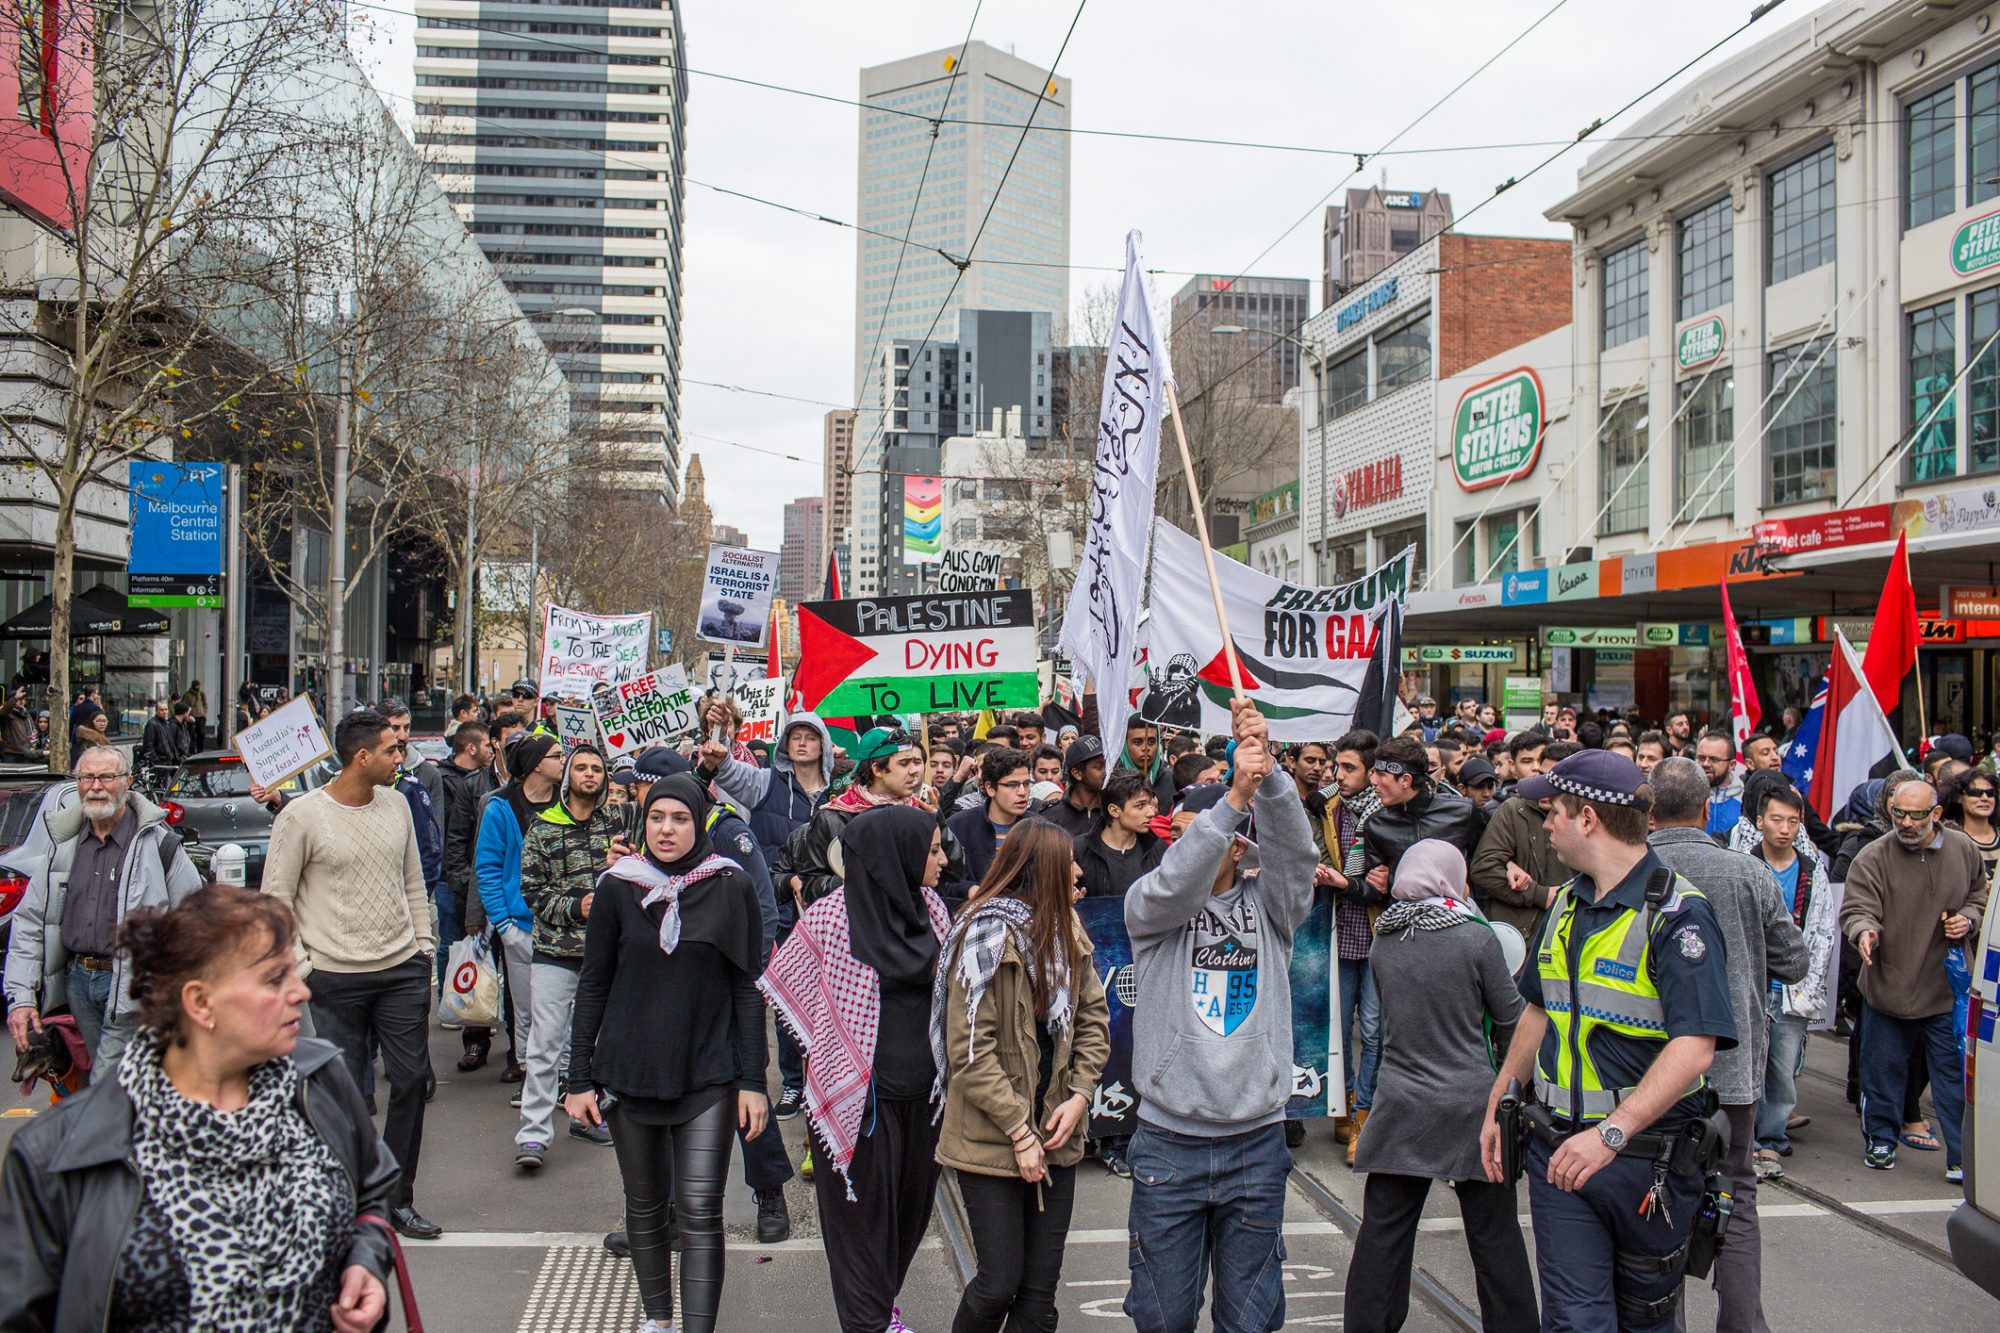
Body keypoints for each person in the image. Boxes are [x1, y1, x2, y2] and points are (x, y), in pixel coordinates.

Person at [0, 885, 398, 1333]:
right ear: (200, 1003)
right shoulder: (56, 1154)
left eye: (293, 974)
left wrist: (365, 1262)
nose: (300, 993)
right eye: (274, 979)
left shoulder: (319, 1081)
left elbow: (372, 1189)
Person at [1479, 750, 1736, 1333]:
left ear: (1588, 818)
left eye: (1553, 813)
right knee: (1574, 1322)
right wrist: (1500, 1101)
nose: (1545, 826)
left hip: (1648, 1159)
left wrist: (1612, 1133)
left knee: (1646, 1320)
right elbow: (1539, 1012)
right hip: (1559, 1149)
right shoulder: (1566, 902)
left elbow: (1696, 1046)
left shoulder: (1678, 914)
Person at [1121, 699, 1315, 1333]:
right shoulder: (1150, 909)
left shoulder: (1274, 908)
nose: (1179, 850)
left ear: (1236, 849)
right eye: (1176, 839)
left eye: (1192, 838)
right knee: (1161, 1316)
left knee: (1251, 1319)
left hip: (1256, 1145)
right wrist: (1231, 796)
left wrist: (1271, 773)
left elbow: (1296, 856)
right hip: (1168, 1145)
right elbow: (1177, 882)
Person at [563, 776, 769, 1333]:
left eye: (680, 818)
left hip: (708, 1074)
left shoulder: (730, 885)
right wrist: (577, 1077)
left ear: (699, 822)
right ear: (643, 822)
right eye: (657, 818)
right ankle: (658, 1320)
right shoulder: (616, 887)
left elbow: (748, 987)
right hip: (630, 1075)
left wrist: (754, 1080)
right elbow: (594, 985)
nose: (666, 829)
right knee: (646, 1209)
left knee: (702, 1212)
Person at [761, 806, 953, 1333]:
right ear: (898, 857)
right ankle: (868, 1322)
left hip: (927, 1099)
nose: (941, 859)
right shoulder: (827, 919)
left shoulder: (934, 910)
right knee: (859, 1228)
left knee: (908, 1220)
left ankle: (880, 1307)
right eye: (932, 849)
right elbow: (791, 995)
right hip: (856, 1105)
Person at [1345, 840, 1538, 1333]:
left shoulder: (1385, 940)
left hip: (1400, 1102)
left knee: (1383, 1235)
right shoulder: (1476, 939)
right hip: (1474, 1106)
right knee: (1494, 1236)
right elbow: (1513, 1019)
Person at [263, 708, 440, 1240]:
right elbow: (276, 899)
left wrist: (424, 950)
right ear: (362, 756)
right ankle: (348, 1197)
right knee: (345, 1096)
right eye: (392, 749)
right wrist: (300, 966)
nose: (401, 756)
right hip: (332, 977)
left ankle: (397, 1199)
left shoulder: (397, 805)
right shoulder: (300, 816)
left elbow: (413, 880)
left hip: (400, 969)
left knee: (409, 1084)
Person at [1645, 758, 1806, 1332]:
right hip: (1733, 1068)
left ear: (1649, 809)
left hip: (1651, 1072)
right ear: (1709, 806)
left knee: (1655, 1200)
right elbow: (1794, 960)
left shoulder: (1635, 868)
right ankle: (1743, 1324)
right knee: (1736, 1194)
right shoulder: (1746, 872)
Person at [933, 820, 1111, 1333]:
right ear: (1042, 871)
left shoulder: (1068, 928)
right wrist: (1018, 1129)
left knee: (1039, 1296)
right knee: (998, 1283)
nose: (1078, 870)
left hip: (1056, 1130)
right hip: (990, 1137)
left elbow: (1093, 1021)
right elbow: (969, 1050)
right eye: (1070, 862)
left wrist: (1078, 1096)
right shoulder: (982, 933)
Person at [5, 745, 202, 1074]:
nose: (95, 786)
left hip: (133, 987)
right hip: (77, 984)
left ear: (127, 782)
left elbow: (196, 922)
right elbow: (29, 923)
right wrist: (21, 997)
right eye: (86, 777)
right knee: (113, 1085)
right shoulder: (63, 846)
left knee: (105, 1086)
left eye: (106, 777)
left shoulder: (159, 844)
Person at [1840, 779, 1986, 1181]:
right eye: (1898, 813)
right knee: (1882, 1071)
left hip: (1945, 991)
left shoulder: (1963, 849)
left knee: (1953, 1077)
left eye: (1915, 815)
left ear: (1936, 814)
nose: (1904, 822)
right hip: (1889, 988)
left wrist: (1969, 919)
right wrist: (1864, 930)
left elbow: (1979, 895)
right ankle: (1882, 1139)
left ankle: (1961, 1155)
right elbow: (1856, 908)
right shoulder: (1873, 857)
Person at [515, 743, 621, 1167]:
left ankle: (587, 1116)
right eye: (581, 767)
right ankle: (533, 1134)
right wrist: (577, 906)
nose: (590, 774)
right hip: (554, 953)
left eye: (597, 768)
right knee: (545, 1045)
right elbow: (532, 893)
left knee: (593, 1044)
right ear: (567, 777)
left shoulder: (616, 824)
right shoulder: (542, 828)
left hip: (605, 955)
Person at [1743, 783, 1836, 1179]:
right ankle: (1742, 1137)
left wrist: (1808, 983)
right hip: (1750, 983)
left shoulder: (1812, 871)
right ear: (1759, 821)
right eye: (1776, 819)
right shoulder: (1743, 864)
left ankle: (1772, 1138)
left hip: (1790, 988)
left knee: (1782, 1067)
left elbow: (1823, 931)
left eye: (1793, 821)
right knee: (1746, 1063)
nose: (1784, 828)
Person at [477, 733, 566, 1091]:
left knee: (565, 1008)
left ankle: (562, 1077)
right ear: (535, 764)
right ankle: (532, 1078)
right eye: (557, 755)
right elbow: (487, 870)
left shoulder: (569, 802)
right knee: (527, 1009)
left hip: (565, 925)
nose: (565, 761)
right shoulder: (500, 808)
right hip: (521, 927)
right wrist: (505, 926)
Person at [1315, 728, 1380, 1152]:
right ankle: (1344, 1101)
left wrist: (1356, 881)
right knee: (1337, 1027)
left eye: (1349, 768)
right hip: (1337, 929)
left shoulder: (1389, 811)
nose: (1338, 774)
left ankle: (1366, 1116)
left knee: (1374, 1030)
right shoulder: (1326, 807)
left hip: (1377, 933)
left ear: (1373, 773)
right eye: (1337, 765)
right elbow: (1313, 851)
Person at [1471, 736, 1571, 939]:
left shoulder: (1584, 819)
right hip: (1513, 936)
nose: (1545, 786)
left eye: (1555, 780)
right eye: (1543, 776)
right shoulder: (1514, 809)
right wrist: (1540, 895)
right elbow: (1484, 869)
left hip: (1563, 933)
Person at [438, 722, 496, 1058]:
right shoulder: (473, 786)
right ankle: (475, 1039)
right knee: (475, 963)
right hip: (475, 889)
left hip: (515, 898)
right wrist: (461, 880)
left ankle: (518, 1055)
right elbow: (457, 838)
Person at [946, 747, 1034, 886]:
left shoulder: (1040, 829)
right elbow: (944, 882)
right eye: (1012, 785)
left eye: (1026, 784)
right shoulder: (958, 827)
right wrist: (969, 890)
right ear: (990, 788)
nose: (1023, 792)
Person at [1940, 764, 2000, 883]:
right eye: (1975, 792)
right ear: (1959, 798)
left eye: (1990, 793)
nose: (1985, 798)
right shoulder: (1948, 840)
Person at [1036, 735, 1104, 837]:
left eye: (1108, 765)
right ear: (1077, 773)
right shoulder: (1050, 817)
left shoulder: (1114, 811)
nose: (1106, 771)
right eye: (1099, 767)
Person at [1696, 734, 1743, 838]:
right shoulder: (1685, 795)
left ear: (1732, 765)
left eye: (1714, 759)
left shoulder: (1745, 799)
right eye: (1701, 758)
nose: (1706, 764)